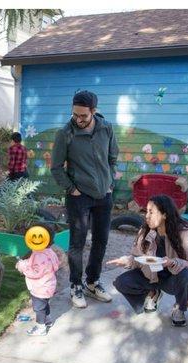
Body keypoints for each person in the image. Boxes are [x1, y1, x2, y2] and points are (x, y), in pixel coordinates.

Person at [51, 90, 119, 308]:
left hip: (104, 196)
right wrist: (72, 189)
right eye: (75, 115)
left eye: (83, 116)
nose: (78, 120)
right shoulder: (65, 134)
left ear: (94, 111)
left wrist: (110, 183)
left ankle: (92, 282)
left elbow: (113, 157)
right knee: (77, 244)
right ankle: (75, 285)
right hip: (79, 197)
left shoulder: (106, 128)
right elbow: (56, 168)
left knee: (101, 240)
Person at [109, 195, 188, 327]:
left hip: (172, 279)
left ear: (165, 215)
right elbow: (138, 258)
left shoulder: (184, 233)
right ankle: (153, 293)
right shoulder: (145, 231)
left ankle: (179, 308)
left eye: (151, 212)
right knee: (121, 282)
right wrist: (127, 261)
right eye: (146, 211)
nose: (146, 216)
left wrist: (172, 262)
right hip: (150, 276)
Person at [15, 224, 60, 336]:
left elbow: (35, 272)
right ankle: (48, 320)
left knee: (39, 308)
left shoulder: (39, 255)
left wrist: (22, 266)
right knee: (45, 304)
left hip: (40, 287)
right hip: (48, 285)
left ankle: (40, 327)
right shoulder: (49, 252)